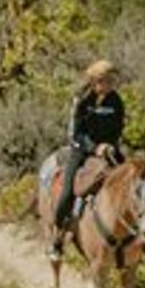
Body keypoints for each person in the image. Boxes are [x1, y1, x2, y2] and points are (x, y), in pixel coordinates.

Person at [50, 59, 126, 261]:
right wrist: (94, 147)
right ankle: (57, 238)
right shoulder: (82, 100)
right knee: (67, 193)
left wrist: (110, 144)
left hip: (108, 148)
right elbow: (75, 133)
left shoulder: (116, 101)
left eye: (112, 80)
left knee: (133, 182)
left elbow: (118, 127)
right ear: (95, 81)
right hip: (81, 149)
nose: (110, 85)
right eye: (106, 80)